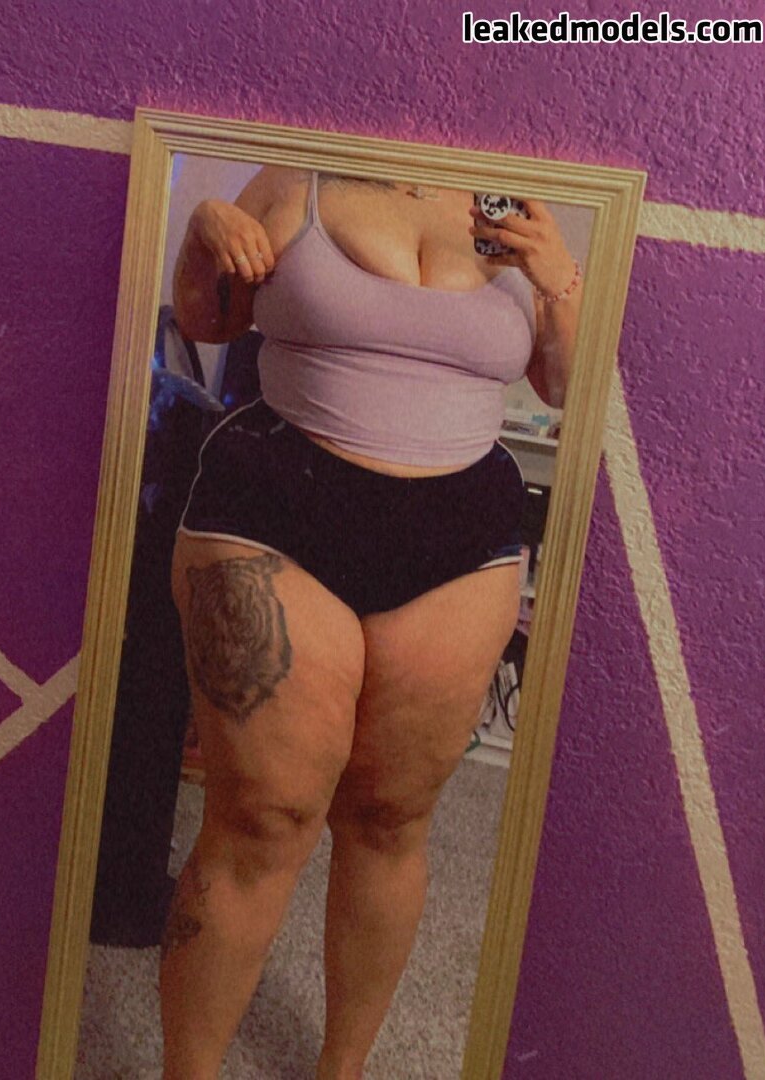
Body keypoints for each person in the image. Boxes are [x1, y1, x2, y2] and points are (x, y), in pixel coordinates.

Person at [161, 165, 583, 1079]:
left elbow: (564, 388)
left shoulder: (518, 195)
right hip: (277, 509)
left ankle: (342, 1071)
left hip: (459, 537)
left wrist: (558, 281)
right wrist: (203, 234)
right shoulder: (301, 168)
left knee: (391, 817)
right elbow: (204, 321)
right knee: (262, 818)